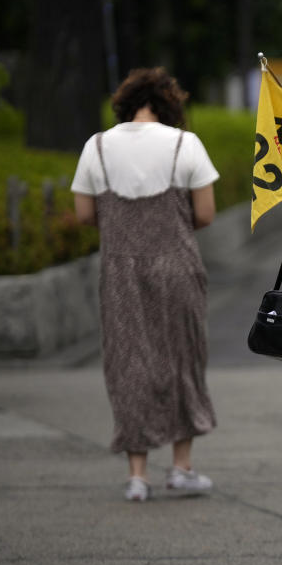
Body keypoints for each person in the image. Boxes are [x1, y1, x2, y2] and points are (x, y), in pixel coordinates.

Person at [71, 67, 218, 502]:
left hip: (120, 271)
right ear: (170, 105)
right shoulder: (184, 144)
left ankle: (137, 475)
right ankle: (182, 467)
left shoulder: (96, 147)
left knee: (128, 362)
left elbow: (83, 215)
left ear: (125, 104)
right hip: (177, 264)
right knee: (182, 358)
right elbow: (206, 214)